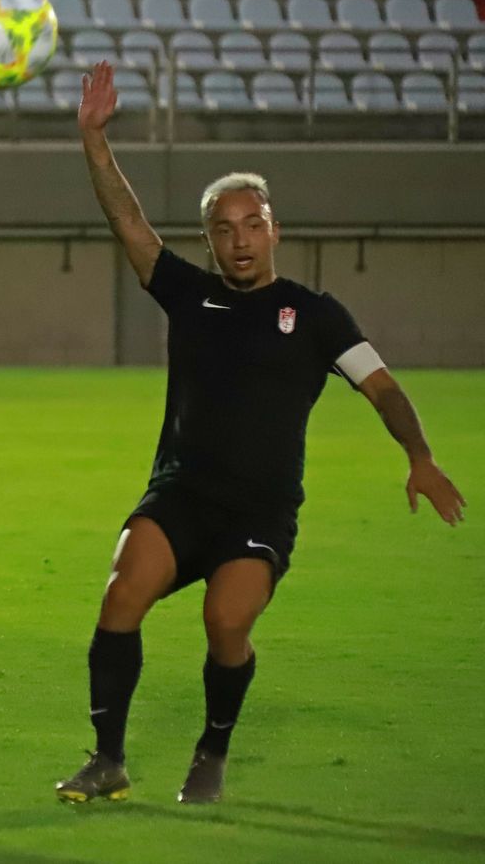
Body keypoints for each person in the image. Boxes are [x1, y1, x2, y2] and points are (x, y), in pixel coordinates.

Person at [53, 62, 467, 806]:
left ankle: (212, 747)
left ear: (274, 229)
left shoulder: (317, 316)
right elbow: (127, 222)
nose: (240, 240)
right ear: (208, 240)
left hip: (259, 511)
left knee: (225, 624)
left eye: (252, 225)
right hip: (180, 495)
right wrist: (93, 140)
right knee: (121, 595)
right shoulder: (188, 293)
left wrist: (421, 456)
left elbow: (381, 386)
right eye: (224, 229)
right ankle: (107, 759)